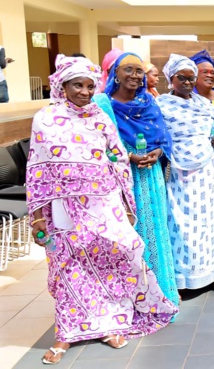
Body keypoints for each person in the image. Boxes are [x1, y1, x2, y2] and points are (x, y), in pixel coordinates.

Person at [27, 54, 177, 364]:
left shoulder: (100, 116)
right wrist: (38, 216)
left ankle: (107, 324)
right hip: (63, 206)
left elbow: (117, 156)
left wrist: (122, 199)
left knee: (117, 255)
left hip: (104, 202)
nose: (83, 91)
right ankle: (65, 334)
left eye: (88, 86)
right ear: (62, 86)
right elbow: (37, 168)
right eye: (76, 85)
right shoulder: (45, 117)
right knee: (68, 266)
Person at [92, 52, 180, 307]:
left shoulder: (149, 102)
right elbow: (97, 143)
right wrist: (127, 155)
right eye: (127, 69)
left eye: (139, 70)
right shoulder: (103, 104)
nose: (134, 75)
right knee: (126, 235)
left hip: (150, 176)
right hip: (119, 179)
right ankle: (129, 300)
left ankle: (159, 292)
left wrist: (158, 152)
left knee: (153, 230)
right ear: (115, 74)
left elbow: (164, 137)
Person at [156, 54, 214, 293]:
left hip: (206, 173)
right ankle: (183, 279)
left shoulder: (203, 104)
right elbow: (157, 137)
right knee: (181, 223)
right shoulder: (161, 106)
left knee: (209, 223)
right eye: (182, 78)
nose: (188, 82)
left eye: (192, 78)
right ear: (171, 78)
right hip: (178, 174)